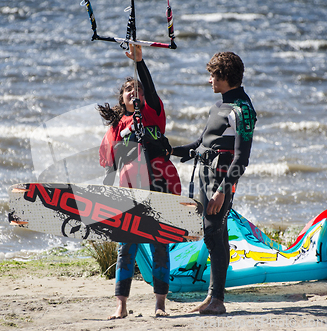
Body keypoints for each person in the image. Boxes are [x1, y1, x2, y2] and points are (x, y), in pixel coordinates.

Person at [98, 45, 181, 319]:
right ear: (121, 99)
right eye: (129, 91)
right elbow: (110, 167)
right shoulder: (116, 127)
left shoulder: (153, 113)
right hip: (128, 193)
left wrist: (140, 62)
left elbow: (152, 91)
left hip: (157, 188)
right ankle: (120, 306)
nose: (135, 93)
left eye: (139, 90)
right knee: (126, 248)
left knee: (160, 246)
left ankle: (160, 305)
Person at [172, 52, 257, 315]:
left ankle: (217, 299)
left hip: (221, 180)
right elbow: (199, 145)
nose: (210, 80)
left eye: (213, 75)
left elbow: (241, 159)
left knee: (212, 233)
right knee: (214, 235)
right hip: (205, 176)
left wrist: (224, 190)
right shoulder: (218, 107)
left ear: (226, 77)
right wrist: (169, 150)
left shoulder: (242, 110)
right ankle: (213, 298)